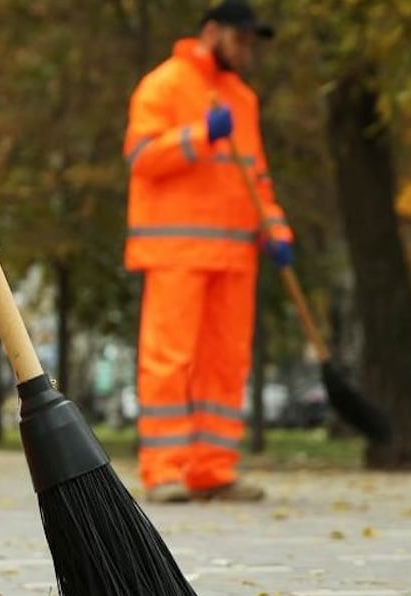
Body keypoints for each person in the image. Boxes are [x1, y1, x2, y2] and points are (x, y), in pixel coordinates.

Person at [122, 0, 291, 504]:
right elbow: (141, 156)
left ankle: (213, 469)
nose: (247, 52)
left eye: (251, 43)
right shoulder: (165, 84)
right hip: (175, 250)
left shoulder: (242, 99)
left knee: (226, 363)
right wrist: (200, 136)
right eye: (240, 40)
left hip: (236, 254)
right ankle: (164, 470)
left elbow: (255, 174)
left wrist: (275, 227)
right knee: (170, 360)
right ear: (212, 32)